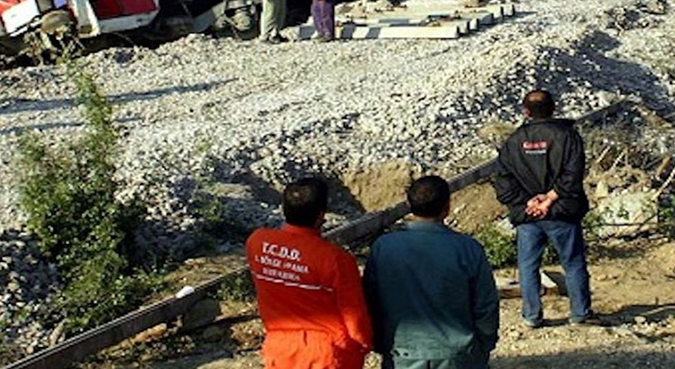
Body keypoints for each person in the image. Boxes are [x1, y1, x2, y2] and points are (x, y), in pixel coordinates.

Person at [363, 176, 500, 369]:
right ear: (447, 206)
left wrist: (380, 343)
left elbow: (370, 301)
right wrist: (483, 346)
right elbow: (486, 305)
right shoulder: (468, 249)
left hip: (401, 353)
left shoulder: (383, 248)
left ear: (409, 204)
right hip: (458, 354)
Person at [247, 177, 373, 369]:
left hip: (279, 349)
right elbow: (353, 314)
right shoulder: (335, 259)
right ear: (321, 216)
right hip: (327, 354)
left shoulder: (257, 242)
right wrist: (363, 342)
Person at [493, 89, 594, 328]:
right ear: (553, 108)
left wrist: (528, 202)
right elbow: (573, 174)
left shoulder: (514, 141)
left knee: (528, 266)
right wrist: (549, 198)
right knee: (573, 263)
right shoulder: (567, 136)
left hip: (528, 216)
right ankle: (580, 313)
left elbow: (503, 181)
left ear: (525, 111)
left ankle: (532, 316)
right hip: (562, 212)